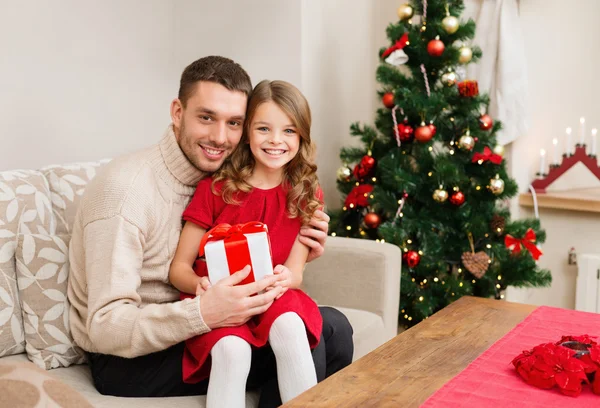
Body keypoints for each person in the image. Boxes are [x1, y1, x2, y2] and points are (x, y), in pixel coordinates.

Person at [67, 56, 353, 407]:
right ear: (177, 112)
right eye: (206, 117)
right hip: (132, 357)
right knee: (324, 334)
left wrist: (302, 248)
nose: (220, 137)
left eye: (233, 122)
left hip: (207, 319)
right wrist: (204, 312)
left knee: (330, 326)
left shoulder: (221, 173)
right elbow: (105, 327)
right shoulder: (125, 193)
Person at [169, 79, 323, 407]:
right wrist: (202, 286)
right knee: (233, 352)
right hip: (221, 300)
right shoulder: (216, 189)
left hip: (271, 296)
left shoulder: (307, 194)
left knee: (292, 327)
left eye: (289, 131)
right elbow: (179, 269)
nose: (276, 141)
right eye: (264, 128)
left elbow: (295, 274)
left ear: (302, 136)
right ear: (247, 131)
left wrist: (286, 278)